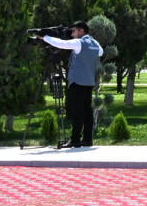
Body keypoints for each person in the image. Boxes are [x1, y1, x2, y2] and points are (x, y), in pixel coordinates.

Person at [38, 20, 104, 148]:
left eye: (73, 31)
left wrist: (44, 37)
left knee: (77, 112)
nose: (72, 34)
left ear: (81, 31)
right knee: (87, 112)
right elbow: (100, 52)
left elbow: (61, 44)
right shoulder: (95, 44)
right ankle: (87, 139)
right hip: (89, 82)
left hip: (77, 82)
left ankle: (75, 140)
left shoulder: (79, 43)